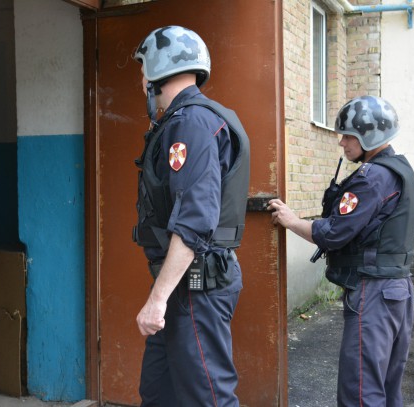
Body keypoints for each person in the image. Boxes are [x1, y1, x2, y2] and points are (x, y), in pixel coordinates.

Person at [268, 96, 414, 407]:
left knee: (361, 391)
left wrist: (292, 221)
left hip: (374, 292)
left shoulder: (373, 177)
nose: (341, 143)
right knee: (388, 388)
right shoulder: (401, 169)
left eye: (349, 136)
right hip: (397, 290)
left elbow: (334, 233)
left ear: (369, 137)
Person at [131, 26, 250, 407]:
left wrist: (157, 299)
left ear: (156, 71)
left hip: (196, 288)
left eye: (143, 71)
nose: (141, 80)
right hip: (187, 284)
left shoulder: (190, 123)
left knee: (207, 397)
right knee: (158, 390)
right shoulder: (195, 118)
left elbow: (196, 219)